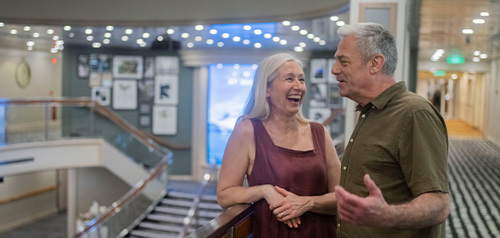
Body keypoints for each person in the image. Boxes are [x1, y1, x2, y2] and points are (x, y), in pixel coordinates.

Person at [331, 22, 450, 237]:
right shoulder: (369, 112)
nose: (334, 70)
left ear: (375, 63)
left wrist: (387, 215)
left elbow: (438, 204)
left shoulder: (414, 113)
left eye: (343, 61)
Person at [217, 53, 341, 237]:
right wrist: (265, 191)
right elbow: (224, 195)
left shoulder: (320, 133)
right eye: (289, 79)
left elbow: (341, 197)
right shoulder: (247, 131)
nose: (298, 86)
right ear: (266, 89)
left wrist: (307, 203)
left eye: (301, 79)